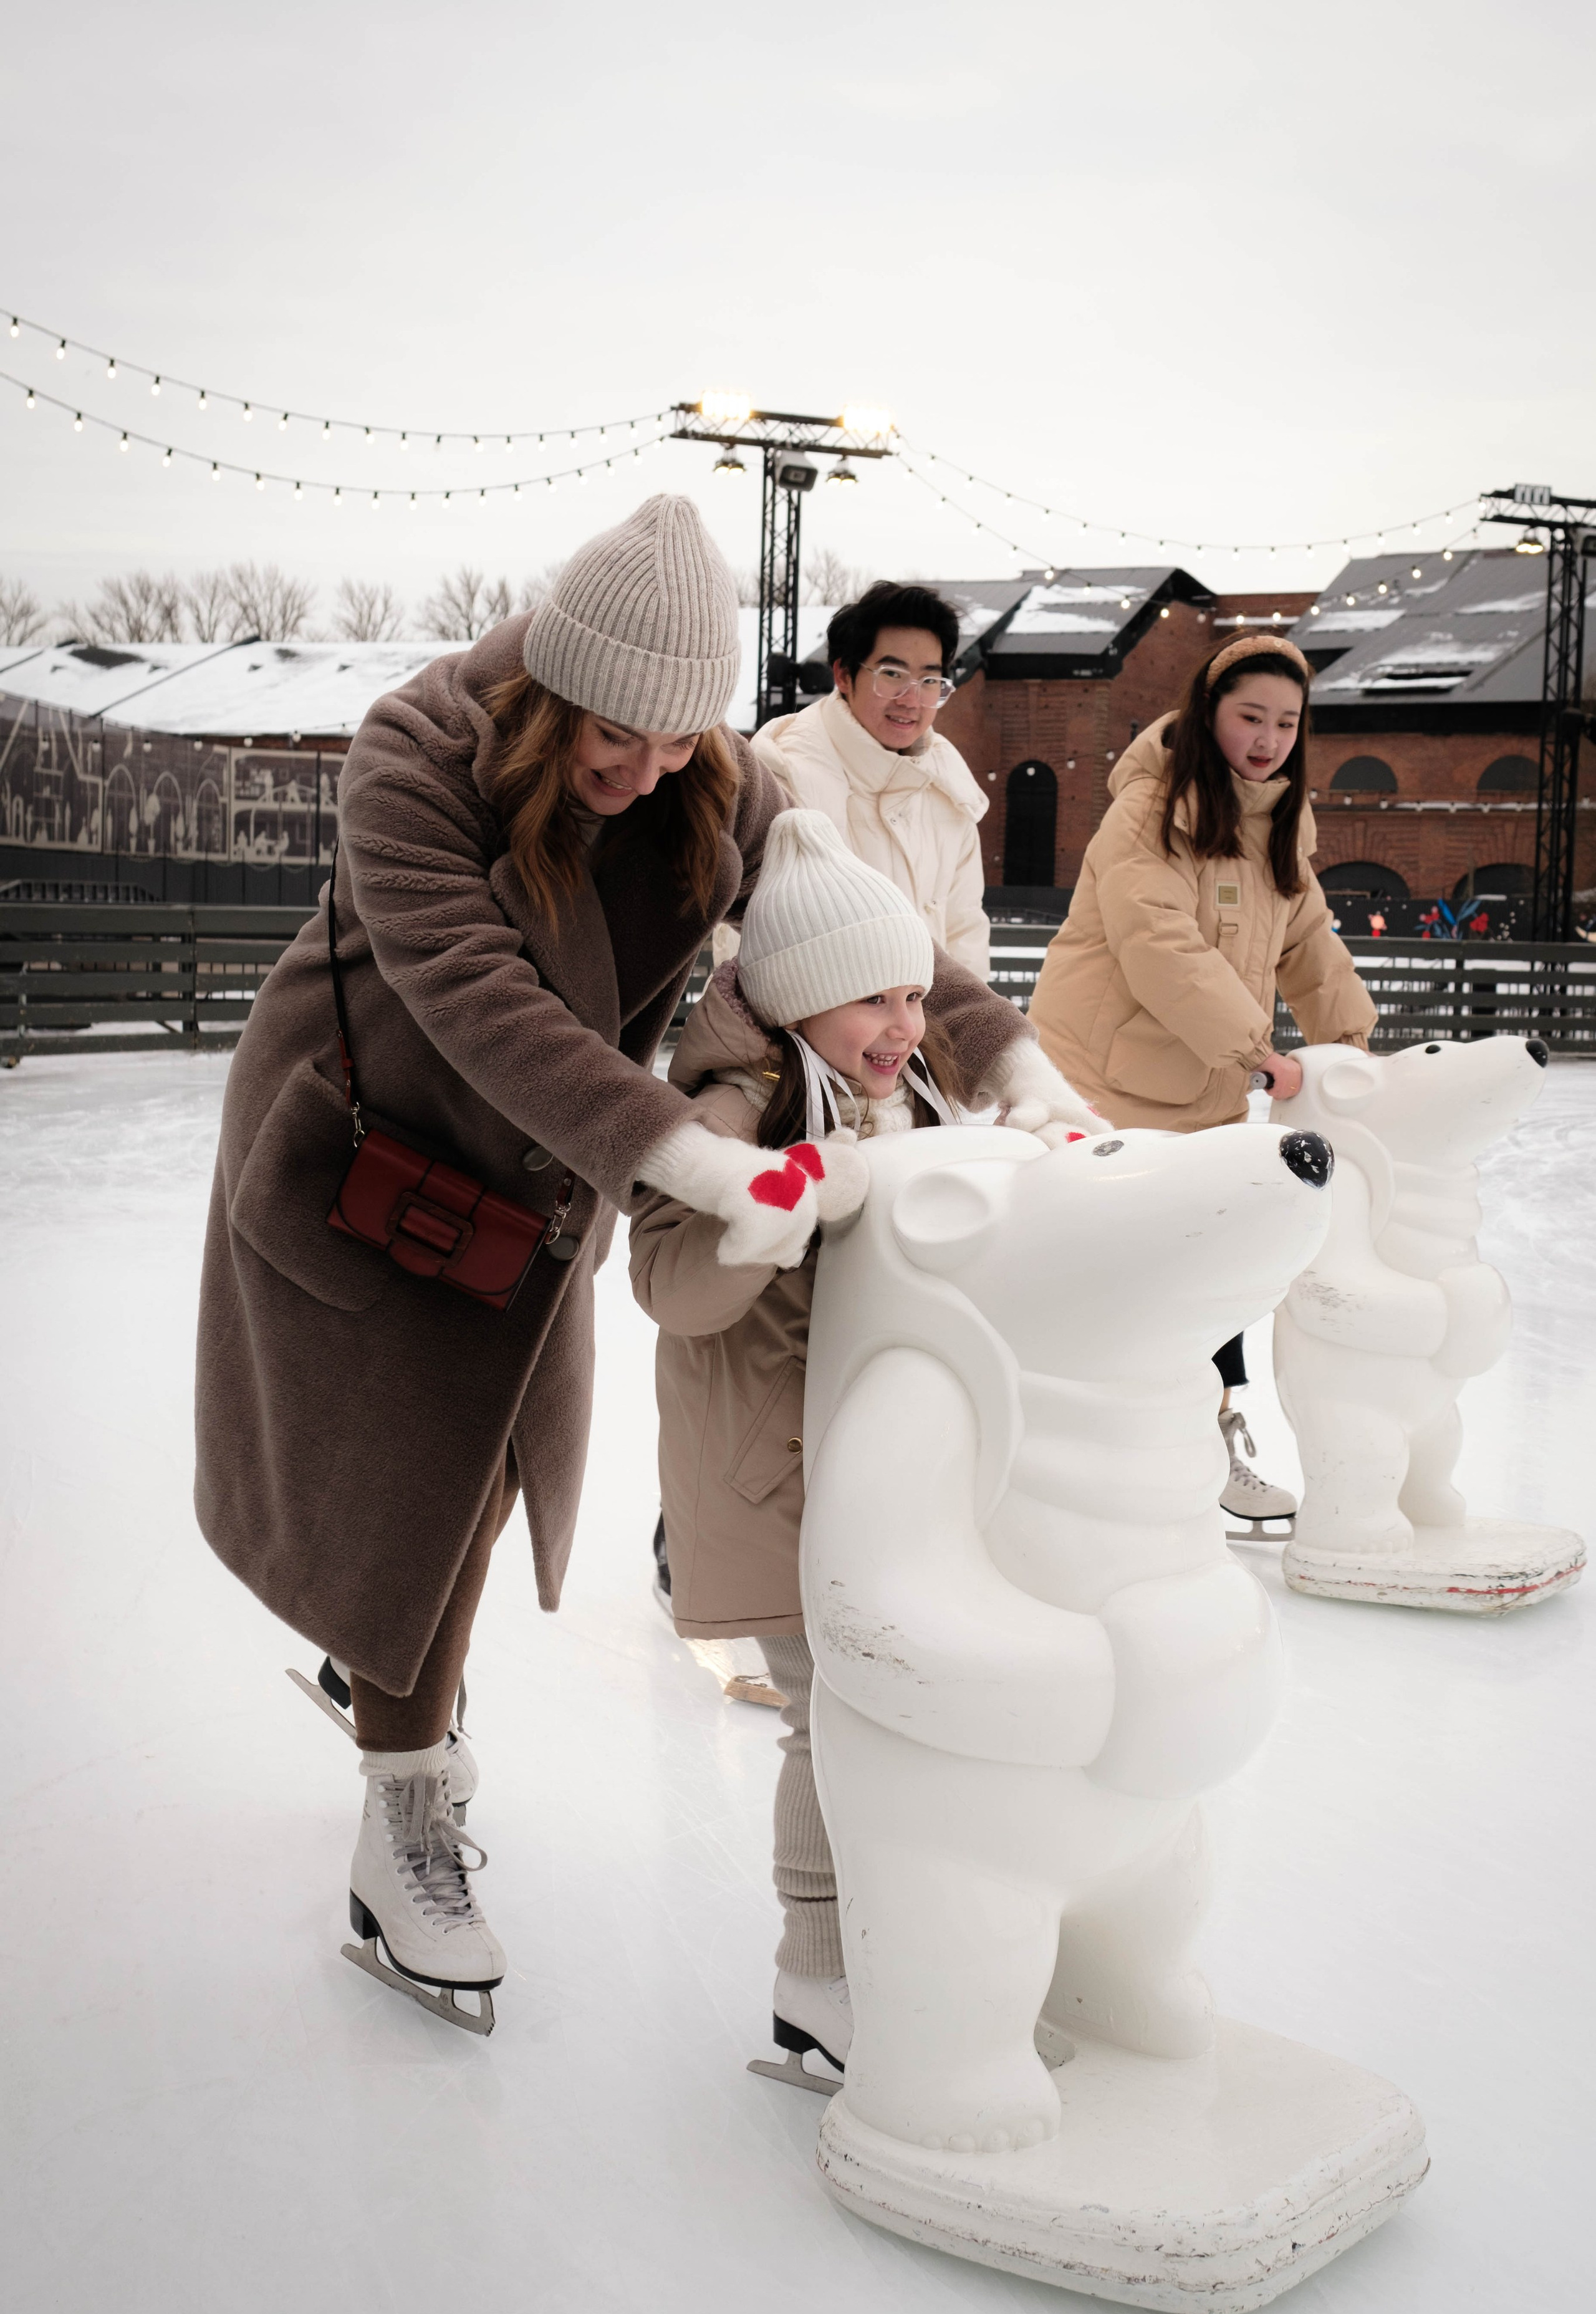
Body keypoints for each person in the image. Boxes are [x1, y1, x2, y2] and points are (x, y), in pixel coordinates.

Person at [194, 495, 1088, 2032]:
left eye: (680, 740)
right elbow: (482, 1000)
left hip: (548, 1176)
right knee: (411, 1488)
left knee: (472, 1483)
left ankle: (397, 1669)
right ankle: (402, 1802)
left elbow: (857, 934)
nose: (648, 769)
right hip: (368, 1151)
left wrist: (1009, 1063)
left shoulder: (711, 790)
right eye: (617, 735)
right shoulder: (412, 756)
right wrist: (697, 1158)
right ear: (547, 687)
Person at [630, 809, 1100, 2078]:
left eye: (910, 992)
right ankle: (815, 1976)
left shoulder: (920, 1089)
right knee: (831, 1719)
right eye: (866, 1003)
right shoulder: (737, 1106)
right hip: (780, 1470)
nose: (902, 1023)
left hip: (904, 1469)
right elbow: (669, 1289)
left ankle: (910, 1947)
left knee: (904, 1712)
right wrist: (773, 1213)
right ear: (793, 1003)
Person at [1026, 632, 1378, 1527]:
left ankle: (1211, 1439)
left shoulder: (1282, 824)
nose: (1266, 740)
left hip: (1206, 1088)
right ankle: (1060, 1450)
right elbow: (1159, 947)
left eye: (1286, 724)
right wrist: (1255, 1050)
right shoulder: (1149, 812)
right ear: (1208, 714)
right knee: (1110, 1272)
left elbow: (1307, 942)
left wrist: (1355, 1043)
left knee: (1214, 1268)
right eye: (1249, 717)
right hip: (1101, 1080)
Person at [747, 581, 990, 977]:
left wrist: (965, 1035)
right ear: (844, 675)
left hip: (928, 1034)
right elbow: (752, 947)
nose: (911, 700)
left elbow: (966, 934)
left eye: (930, 681)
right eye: (892, 674)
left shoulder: (949, 789)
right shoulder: (785, 776)